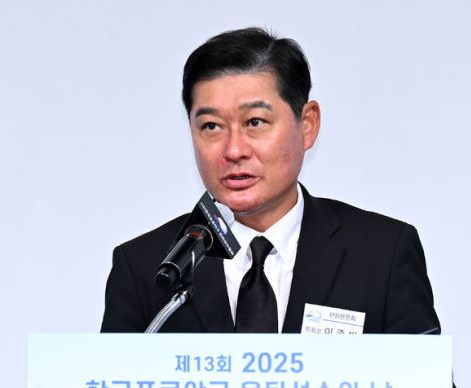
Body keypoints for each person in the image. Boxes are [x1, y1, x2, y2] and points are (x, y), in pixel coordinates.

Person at [100, 27, 440, 336]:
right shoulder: (146, 268)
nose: (234, 150)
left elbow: (425, 384)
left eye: (255, 122)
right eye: (211, 127)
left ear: (307, 124)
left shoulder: (382, 255)